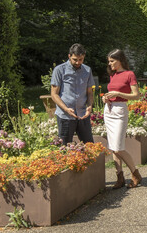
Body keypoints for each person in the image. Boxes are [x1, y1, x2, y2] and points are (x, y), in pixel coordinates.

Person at [103, 49, 142, 189]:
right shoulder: (113, 75)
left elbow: (136, 95)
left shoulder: (129, 74)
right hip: (109, 110)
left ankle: (135, 173)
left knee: (118, 147)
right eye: (109, 61)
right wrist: (105, 97)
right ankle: (119, 178)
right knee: (113, 147)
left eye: (112, 61)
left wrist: (119, 93)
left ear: (120, 60)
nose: (110, 64)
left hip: (120, 111)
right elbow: (111, 92)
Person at [49, 43, 95, 146]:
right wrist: (66, 109)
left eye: (81, 59)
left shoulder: (87, 70)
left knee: (90, 146)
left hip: (83, 114)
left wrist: (90, 106)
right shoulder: (59, 70)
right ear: (69, 56)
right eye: (75, 59)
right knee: (64, 147)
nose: (78, 62)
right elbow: (54, 94)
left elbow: (89, 93)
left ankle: (91, 163)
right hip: (65, 116)